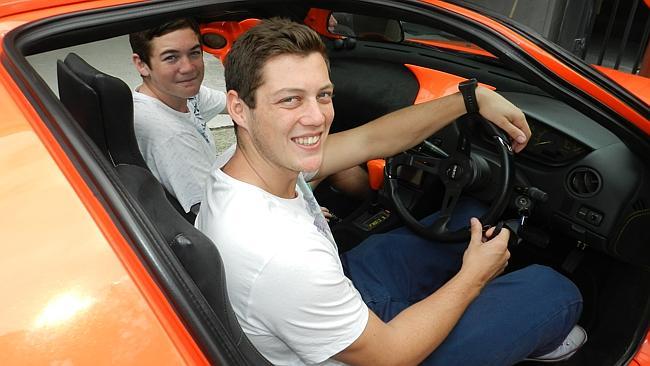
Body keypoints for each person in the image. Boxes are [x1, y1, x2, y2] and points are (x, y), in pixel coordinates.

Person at [196, 18, 585, 366]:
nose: (316, 117)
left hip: (336, 292)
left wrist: (469, 99)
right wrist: (474, 276)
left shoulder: (245, 159)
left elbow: (371, 139)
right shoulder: (282, 253)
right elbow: (391, 354)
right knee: (554, 292)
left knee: (469, 218)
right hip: (374, 352)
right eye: (290, 99)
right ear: (239, 108)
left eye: (324, 94)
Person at [129, 18, 367, 216]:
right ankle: (377, 204)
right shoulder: (167, 135)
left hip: (226, 178)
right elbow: (209, 212)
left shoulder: (181, 94)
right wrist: (299, 210)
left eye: (194, 53)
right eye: (171, 57)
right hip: (234, 202)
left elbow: (239, 104)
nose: (188, 67)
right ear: (142, 64)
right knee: (335, 161)